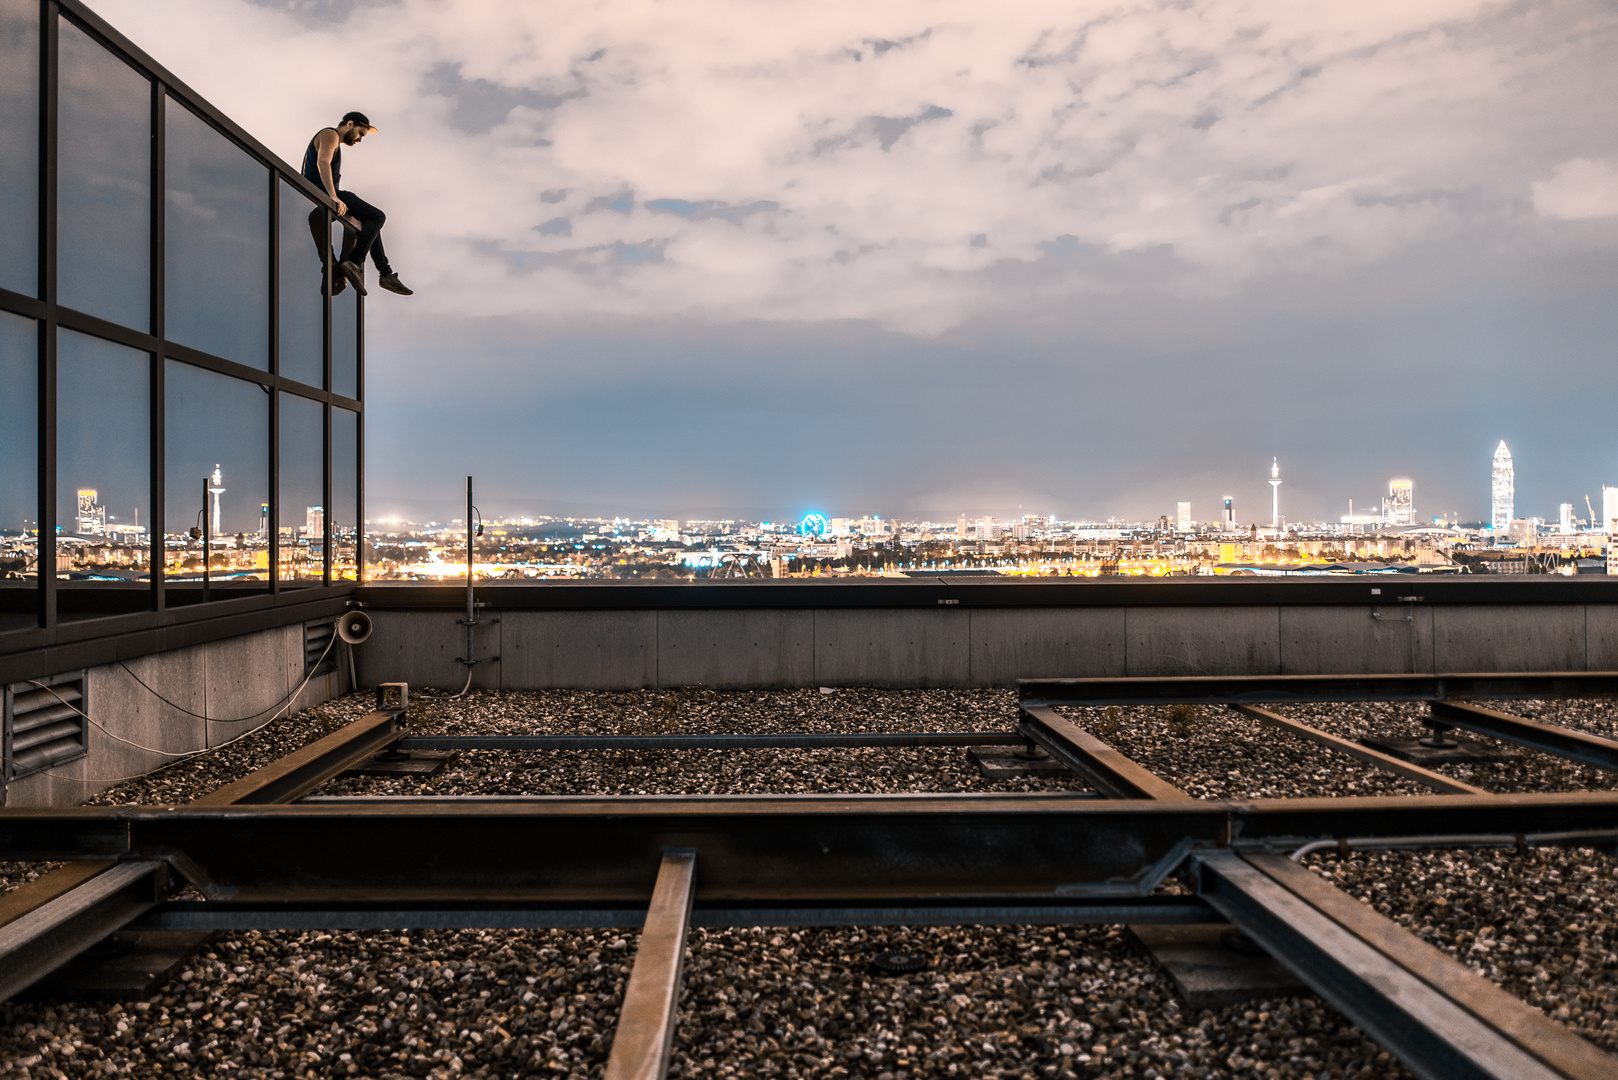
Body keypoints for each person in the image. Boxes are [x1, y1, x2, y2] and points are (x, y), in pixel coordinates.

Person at [302, 111, 411, 296]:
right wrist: (334, 196)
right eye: (361, 133)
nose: (360, 139)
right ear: (350, 124)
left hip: (324, 197)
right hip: (326, 195)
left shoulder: (335, 140)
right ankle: (357, 263)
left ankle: (385, 273)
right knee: (377, 216)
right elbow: (323, 163)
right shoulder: (330, 134)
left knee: (370, 219)